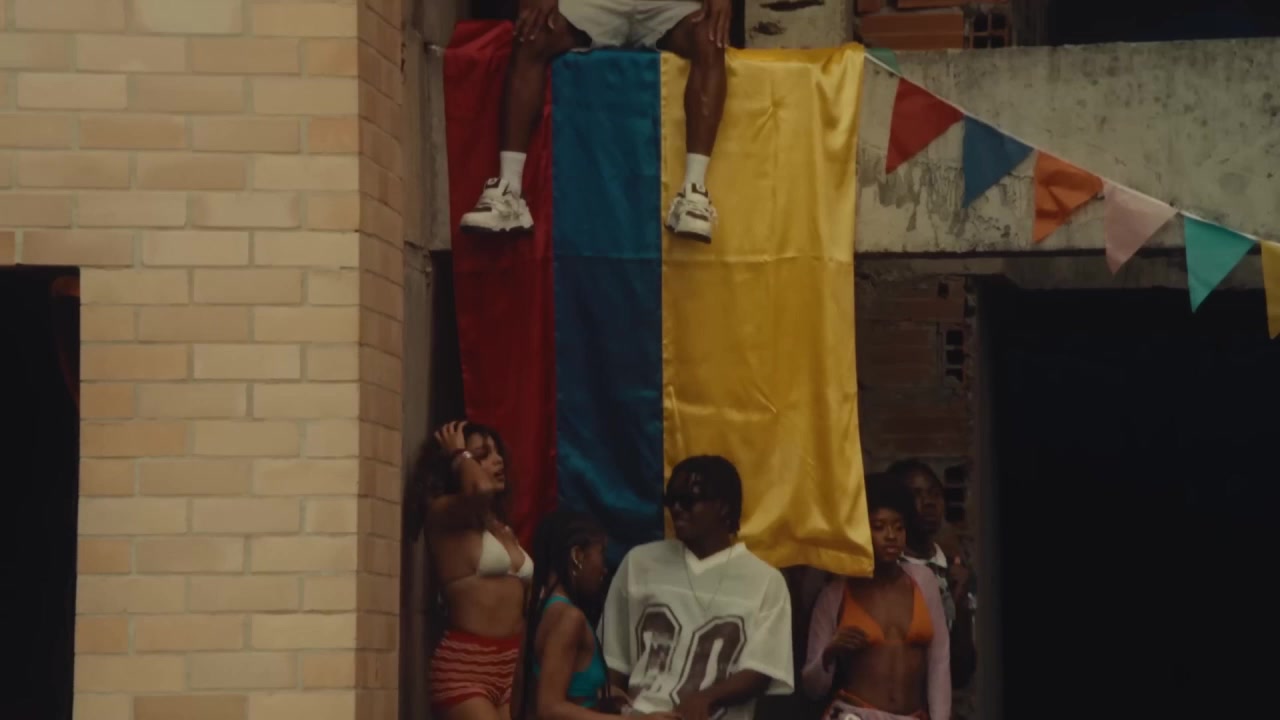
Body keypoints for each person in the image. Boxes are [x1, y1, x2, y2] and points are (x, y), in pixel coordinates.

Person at [459, 0, 730, 242]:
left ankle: (693, 194)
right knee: (533, 35)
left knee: (710, 37)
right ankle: (508, 192)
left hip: (671, 5)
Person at [600, 455, 794, 720]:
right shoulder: (638, 562)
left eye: (688, 500)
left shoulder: (766, 580)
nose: (677, 508)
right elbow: (613, 659)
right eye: (671, 500)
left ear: (723, 507)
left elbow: (762, 669)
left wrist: (706, 697)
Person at [801, 473, 950, 720]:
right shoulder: (835, 594)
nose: (891, 536)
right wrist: (830, 652)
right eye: (879, 527)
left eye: (899, 527)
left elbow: (939, 662)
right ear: (860, 531)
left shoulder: (923, 581)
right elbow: (812, 688)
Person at [421, 420, 532, 720]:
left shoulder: (501, 526)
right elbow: (480, 489)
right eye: (483, 455)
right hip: (466, 667)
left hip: (511, 666)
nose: (498, 461)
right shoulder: (443, 513)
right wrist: (458, 453)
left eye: (497, 453)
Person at [522, 509, 679, 720]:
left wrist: (599, 695)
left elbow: (518, 703)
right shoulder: (570, 619)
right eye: (601, 553)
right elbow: (550, 708)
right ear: (577, 556)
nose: (604, 569)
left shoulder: (538, 611)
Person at [886, 459, 976, 687]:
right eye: (916, 494)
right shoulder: (883, 571)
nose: (929, 502)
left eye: (935, 494)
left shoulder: (955, 572)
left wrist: (959, 604)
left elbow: (962, 672)